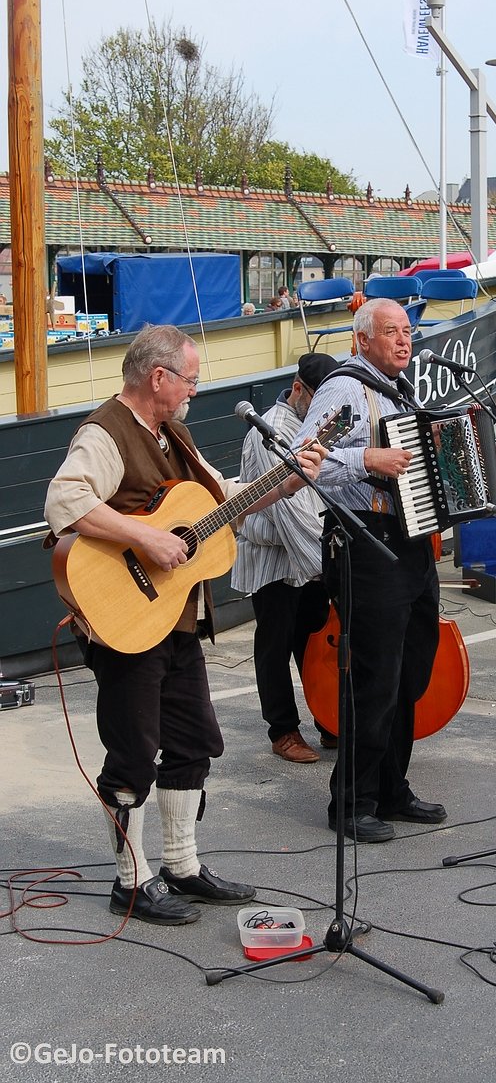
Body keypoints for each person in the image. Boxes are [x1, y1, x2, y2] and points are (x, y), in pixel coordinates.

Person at [44, 324, 322, 925]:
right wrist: (147, 536)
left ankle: (181, 863)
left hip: (174, 617)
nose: (197, 388)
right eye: (191, 379)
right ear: (158, 378)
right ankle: (132, 881)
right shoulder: (104, 432)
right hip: (124, 619)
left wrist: (290, 478)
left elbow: (219, 497)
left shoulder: (176, 433)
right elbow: (65, 501)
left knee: (195, 741)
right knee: (134, 750)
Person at [292, 299, 447, 843]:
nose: (404, 341)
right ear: (363, 339)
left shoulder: (402, 391)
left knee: (411, 672)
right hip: (366, 540)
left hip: (410, 543)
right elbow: (302, 457)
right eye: (391, 332)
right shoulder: (343, 387)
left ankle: (391, 787)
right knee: (375, 678)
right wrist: (366, 461)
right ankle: (351, 802)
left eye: (408, 331)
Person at [231, 352, 338, 763]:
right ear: (298, 390)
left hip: (310, 550)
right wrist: (331, 569)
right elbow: (291, 511)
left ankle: (328, 717)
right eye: (319, 400)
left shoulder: (315, 425)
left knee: (313, 644)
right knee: (274, 644)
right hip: (274, 554)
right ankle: (283, 731)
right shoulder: (270, 432)